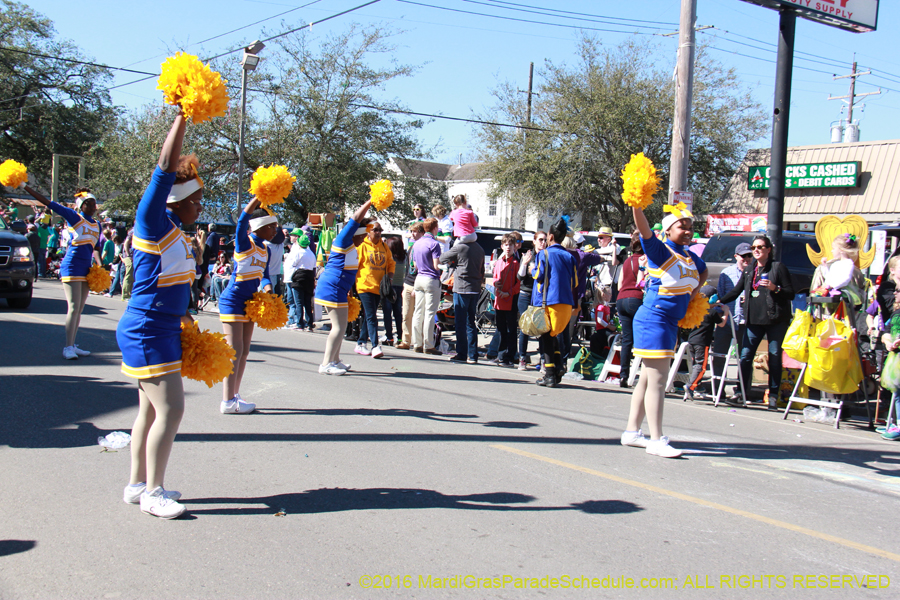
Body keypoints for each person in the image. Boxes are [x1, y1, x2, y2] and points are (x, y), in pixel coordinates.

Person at [116, 108, 203, 519]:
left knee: (149, 411)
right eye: (195, 201)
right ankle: (154, 492)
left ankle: (137, 484)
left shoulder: (176, 233)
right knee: (172, 410)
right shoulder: (152, 221)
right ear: (176, 201)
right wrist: (184, 114)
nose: (200, 207)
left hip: (163, 327)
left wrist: (184, 316)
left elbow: (172, 285)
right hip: (147, 329)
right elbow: (164, 168)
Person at [622, 203, 707, 458]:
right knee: (659, 381)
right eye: (683, 226)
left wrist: (692, 297)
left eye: (691, 227)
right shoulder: (661, 250)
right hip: (653, 319)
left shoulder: (689, 256)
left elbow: (702, 273)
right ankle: (656, 440)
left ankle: (632, 432)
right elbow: (644, 228)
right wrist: (637, 204)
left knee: (648, 379)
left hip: (669, 322)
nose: (688, 231)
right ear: (668, 230)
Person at [20, 183, 103, 359]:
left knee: (79, 309)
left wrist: (100, 264)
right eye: (89, 204)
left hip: (87, 269)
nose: (93, 207)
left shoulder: (97, 225)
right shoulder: (74, 217)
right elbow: (49, 203)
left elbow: (96, 248)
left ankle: (73, 344)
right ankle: (68, 347)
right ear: (81, 206)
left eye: (94, 204)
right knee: (73, 307)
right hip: (72, 266)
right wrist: (24, 186)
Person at [718, 235, 794, 409]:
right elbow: (736, 291)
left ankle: (773, 395)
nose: (756, 250)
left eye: (760, 247)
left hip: (775, 320)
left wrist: (775, 288)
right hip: (753, 320)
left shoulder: (778, 268)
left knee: (774, 357)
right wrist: (719, 301)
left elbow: (790, 293)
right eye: (754, 248)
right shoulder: (750, 270)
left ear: (768, 249)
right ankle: (741, 393)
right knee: (745, 356)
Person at [217, 200, 278, 414]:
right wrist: (257, 198)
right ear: (259, 226)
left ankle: (235, 395)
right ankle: (227, 401)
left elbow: (265, 276)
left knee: (243, 352)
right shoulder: (245, 243)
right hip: (233, 301)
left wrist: (269, 291)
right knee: (234, 351)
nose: (275, 230)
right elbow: (242, 222)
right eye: (271, 226)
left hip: (251, 303)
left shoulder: (266, 250)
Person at [315, 200, 374, 375]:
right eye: (362, 236)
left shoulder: (351, 246)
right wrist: (370, 201)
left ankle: (335, 360)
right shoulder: (343, 240)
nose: (364, 239)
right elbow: (355, 218)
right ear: (354, 234)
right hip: (332, 287)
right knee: (339, 327)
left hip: (339, 288)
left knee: (340, 327)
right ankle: (326, 364)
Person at [529, 219, 577, 387]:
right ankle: (558, 367)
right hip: (566, 302)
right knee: (553, 335)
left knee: (546, 337)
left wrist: (532, 270)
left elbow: (539, 275)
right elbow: (574, 282)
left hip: (549, 301)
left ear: (550, 236)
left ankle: (549, 375)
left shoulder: (544, 254)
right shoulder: (570, 256)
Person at [441, 231, 487, 363]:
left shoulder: (460, 247)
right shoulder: (480, 249)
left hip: (461, 288)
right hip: (475, 289)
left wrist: (454, 261)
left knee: (460, 323)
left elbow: (443, 258)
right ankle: (472, 355)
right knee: (471, 322)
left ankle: (461, 353)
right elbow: (482, 270)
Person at [712, 242, 752, 394]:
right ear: (736, 256)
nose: (746, 259)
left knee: (745, 357)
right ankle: (718, 389)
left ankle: (742, 391)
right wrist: (720, 318)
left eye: (749, 255)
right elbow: (721, 297)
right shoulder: (726, 273)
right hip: (727, 321)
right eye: (743, 256)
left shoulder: (755, 273)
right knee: (719, 355)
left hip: (745, 321)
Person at [354, 220, 394, 358]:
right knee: (372, 316)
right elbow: (355, 266)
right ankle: (375, 346)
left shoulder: (384, 246)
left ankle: (361, 343)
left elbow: (391, 263)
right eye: (375, 230)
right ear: (368, 231)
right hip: (364, 286)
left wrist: (389, 278)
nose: (378, 233)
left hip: (379, 287)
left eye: (380, 230)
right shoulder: (362, 246)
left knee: (369, 316)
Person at [684, 285, 729, 400]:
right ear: (713, 299)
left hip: (692, 341)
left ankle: (697, 385)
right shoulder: (712, 312)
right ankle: (690, 386)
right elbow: (722, 323)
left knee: (695, 365)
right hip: (702, 343)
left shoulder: (697, 309)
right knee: (701, 366)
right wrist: (726, 313)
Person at [615, 234, 646, 387]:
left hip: (621, 299)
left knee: (627, 339)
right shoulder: (645, 260)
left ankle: (624, 375)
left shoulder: (627, 261)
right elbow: (643, 283)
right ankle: (645, 374)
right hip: (636, 298)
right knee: (643, 336)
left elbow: (619, 285)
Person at [411, 217, 444, 354]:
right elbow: (436, 265)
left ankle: (417, 343)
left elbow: (415, 265)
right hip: (431, 279)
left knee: (418, 311)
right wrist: (444, 266)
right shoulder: (434, 244)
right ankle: (428, 344)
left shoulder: (416, 244)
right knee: (430, 312)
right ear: (435, 228)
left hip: (419, 278)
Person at [486, 233, 519, 366]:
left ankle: (509, 356)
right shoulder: (498, 262)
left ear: (514, 247)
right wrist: (495, 283)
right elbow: (494, 278)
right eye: (506, 245)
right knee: (500, 329)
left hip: (510, 300)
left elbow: (519, 284)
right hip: (499, 301)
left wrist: (509, 293)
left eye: (510, 245)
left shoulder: (516, 263)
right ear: (502, 246)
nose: (508, 247)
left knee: (511, 330)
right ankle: (501, 354)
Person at [516, 231, 547, 370]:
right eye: (540, 240)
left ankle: (543, 359)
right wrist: (524, 264)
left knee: (541, 327)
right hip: (526, 294)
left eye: (545, 240)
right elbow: (520, 277)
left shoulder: (547, 256)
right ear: (534, 241)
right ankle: (522, 358)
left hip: (540, 296)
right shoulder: (529, 256)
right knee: (525, 326)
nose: (543, 243)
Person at [396, 221, 424, 350]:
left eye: (415, 231)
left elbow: (422, 270)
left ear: (422, 233)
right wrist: (404, 284)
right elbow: (408, 268)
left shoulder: (424, 248)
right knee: (406, 314)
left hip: (418, 285)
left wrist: (417, 286)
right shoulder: (411, 248)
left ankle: (419, 342)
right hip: (408, 283)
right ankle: (405, 341)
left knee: (419, 315)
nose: (412, 234)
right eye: (411, 231)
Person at [285, 229, 316, 331]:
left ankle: (299, 324)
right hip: (309, 278)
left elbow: (293, 264)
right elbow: (314, 267)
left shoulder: (298, 253)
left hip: (298, 278)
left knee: (299, 302)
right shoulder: (311, 254)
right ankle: (309, 324)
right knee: (307, 303)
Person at [382, 235, 407, 345]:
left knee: (387, 313)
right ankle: (400, 336)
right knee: (398, 313)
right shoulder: (404, 257)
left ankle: (389, 336)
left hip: (389, 287)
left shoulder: (389, 258)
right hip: (400, 287)